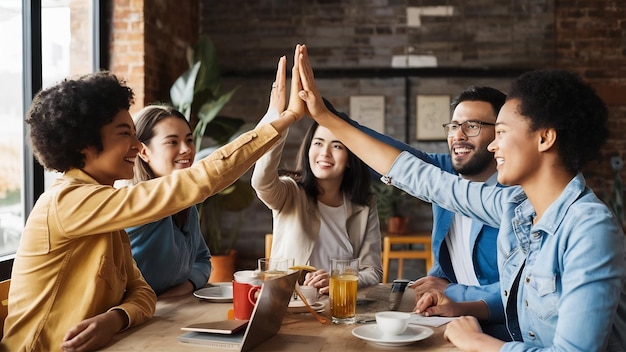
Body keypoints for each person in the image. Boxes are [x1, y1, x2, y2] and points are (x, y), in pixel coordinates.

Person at [296, 44, 626, 351]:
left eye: (500, 132)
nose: (494, 145)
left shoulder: (590, 230)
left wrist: (478, 342)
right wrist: (325, 117)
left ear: (545, 138)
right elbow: (417, 175)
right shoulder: (515, 208)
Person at [1, 46, 305, 352]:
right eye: (124, 134)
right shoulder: (67, 201)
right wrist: (276, 124)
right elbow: (197, 182)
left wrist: (115, 318)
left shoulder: (105, 206)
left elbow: (142, 293)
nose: (137, 146)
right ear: (84, 144)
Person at [327, 87, 508, 338]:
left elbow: (519, 292)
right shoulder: (445, 173)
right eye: (454, 126)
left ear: (500, 135)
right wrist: (327, 114)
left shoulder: (515, 196)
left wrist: (452, 290)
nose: (459, 135)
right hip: (446, 317)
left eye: (473, 126)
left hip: (500, 331)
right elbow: (393, 160)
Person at [251, 87, 383, 294]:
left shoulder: (365, 205)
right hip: (289, 304)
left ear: (350, 158)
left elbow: (373, 271)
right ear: (308, 149)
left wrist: (337, 281)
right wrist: (281, 119)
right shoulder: (291, 193)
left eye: (337, 146)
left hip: (338, 307)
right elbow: (261, 181)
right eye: (318, 143)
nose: (325, 153)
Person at [123, 105, 210, 298]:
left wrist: (186, 286)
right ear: (144, 152)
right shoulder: (135, 204)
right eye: (172, 142)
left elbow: (202, 259)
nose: (187, 149)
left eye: (189, 140)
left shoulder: (187, 205)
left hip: (170, 311)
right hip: (130, 318)